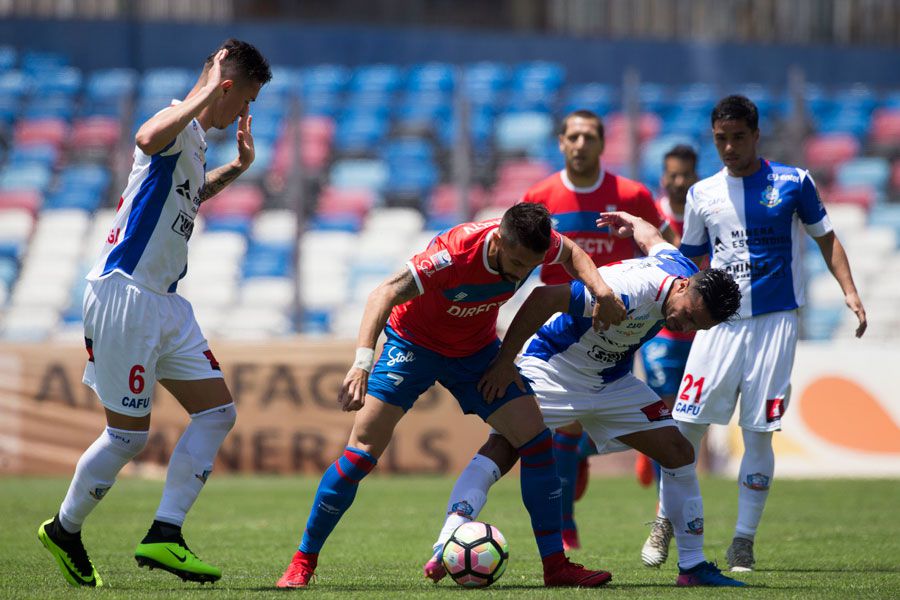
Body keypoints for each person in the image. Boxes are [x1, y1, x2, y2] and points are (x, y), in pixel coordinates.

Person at [276, 203, 627, 589]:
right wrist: (361, 363)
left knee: (537, 440)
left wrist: (601, 290)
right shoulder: (454, 254)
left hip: (475, 353)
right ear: (498, 240)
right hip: (413, 344)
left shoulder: (533, 246)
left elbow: (573, 253)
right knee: (361, 453)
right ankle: (303, 560)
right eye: (516, 262)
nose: (521, 272)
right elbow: (384, 293)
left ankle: (555, 567)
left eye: (531, 264)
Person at [36, 39, 272, 587]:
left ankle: (166, 535)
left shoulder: (193, 141)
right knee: (127, 438)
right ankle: (65, 528)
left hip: (166, 301)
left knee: (217, 414)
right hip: (126, 294)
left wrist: (238, 166)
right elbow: (145, 137)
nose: (242, 114)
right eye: (242, 101)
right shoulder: (172, 123)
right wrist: (209, 91)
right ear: (225, 87)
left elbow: (187, 200)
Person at [424, 211, 745, 587]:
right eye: (687, 314)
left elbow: (652, 239)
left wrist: (631, 221)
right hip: (554, 370)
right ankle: (446, 542)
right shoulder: (629, 290)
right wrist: (504, 363)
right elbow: (544, 298)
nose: (683, 326)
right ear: (683, 287)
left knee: (679, 451)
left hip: (610, 382)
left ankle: (692, 567)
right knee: (504, 448)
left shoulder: (679, 266)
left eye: (696, 326)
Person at [673, 95, 867, 572]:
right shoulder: (702, 195)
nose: (730, 147)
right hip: (718, 326)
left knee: (759, 434)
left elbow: (826, 237)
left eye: (738, 137)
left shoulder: (793, 182)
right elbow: (687, 261)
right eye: (721, 139)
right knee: (684, 427)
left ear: (756, 135)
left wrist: (850, 291)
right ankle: (665, 519)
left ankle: (743, 539)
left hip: (775, 323)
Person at [520, 109, 673, 550]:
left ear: (602, 143)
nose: (581, 144)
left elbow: (664, 250)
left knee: (607, 415)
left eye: (589, 136)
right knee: (564, 424)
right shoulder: (541, 194)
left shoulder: (631, 194)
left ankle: (585, 453)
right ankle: (565, 524)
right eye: (573, 136)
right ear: (562, 142)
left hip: (622, 325)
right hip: (561, 326)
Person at [638, 144, 700, 567]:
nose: (678, 182)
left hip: (699, 333)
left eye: (685, 175)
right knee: (667, 418)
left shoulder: (703, 213)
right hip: (662, 332)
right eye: (672, 174)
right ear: (663, 176)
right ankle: (668, 520)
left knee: (689, 421)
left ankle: (659, 471)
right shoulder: (655, 215)